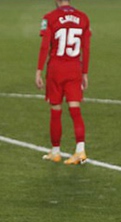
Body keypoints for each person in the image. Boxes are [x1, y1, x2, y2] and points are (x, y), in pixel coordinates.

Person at [36, 0, 91, 165]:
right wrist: (85, 73)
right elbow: (86, 48)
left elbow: (45, 46)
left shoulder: (50, 17)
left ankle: (56, 151)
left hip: (56, 69)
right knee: (75, 110)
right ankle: (80, 151)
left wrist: (39, 70)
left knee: (56, 110)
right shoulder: (83, 18)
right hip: (75, 68)